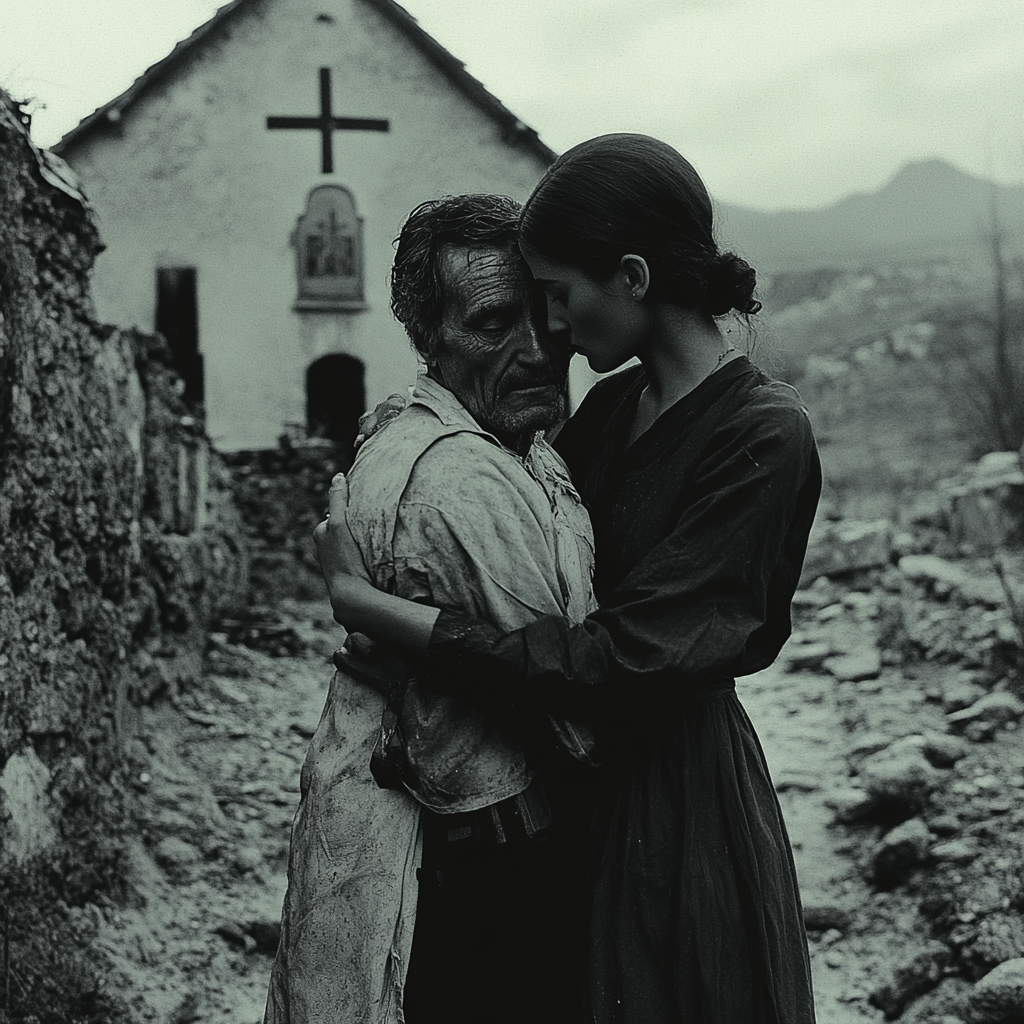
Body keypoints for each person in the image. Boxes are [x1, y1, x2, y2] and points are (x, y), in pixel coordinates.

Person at [316, 133, 822, 1024]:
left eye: (556, 296)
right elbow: (543, 577)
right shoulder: (615, 407)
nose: (554, 330)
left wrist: (381, 614)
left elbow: (616, 660)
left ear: (631, 277)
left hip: (680, 801)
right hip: (572, 787)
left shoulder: (764, 436)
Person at [265, 194, 596, 1024]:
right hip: (483, 875)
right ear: (432, 340)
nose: (532, 350)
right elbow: (573, 710)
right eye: (491, 325)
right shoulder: (460, 482)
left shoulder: (490, 441)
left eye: (542, 316)